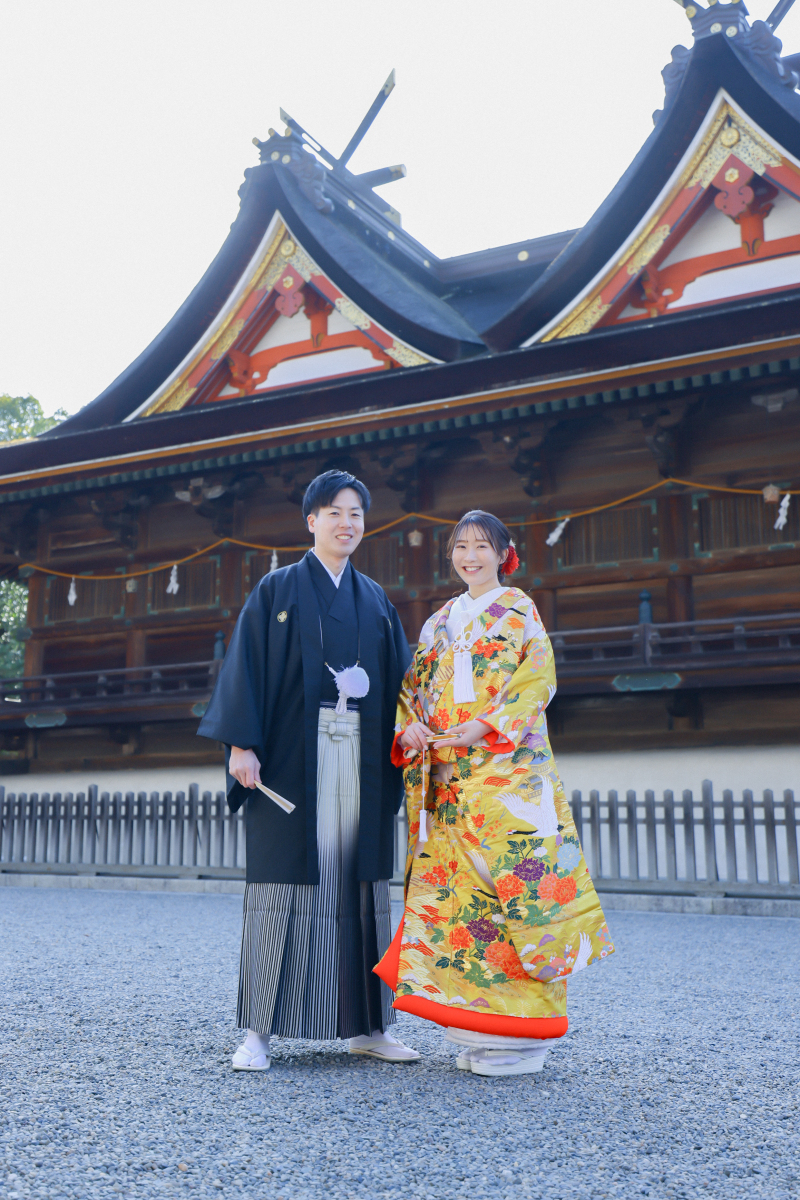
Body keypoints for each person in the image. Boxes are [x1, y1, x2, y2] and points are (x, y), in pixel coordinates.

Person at [374, 510, 614, 1077]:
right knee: (462, 899)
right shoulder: (438, 621)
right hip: (451, 781)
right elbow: (412, 692)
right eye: (460, 546)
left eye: (482, 546)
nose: (470, 556)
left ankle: (526, 1036)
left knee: (516, 895)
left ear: (503, 553)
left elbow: (539, 678)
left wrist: (485, 727)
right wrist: (408, 728)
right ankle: (474, 1023)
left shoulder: (519, 610)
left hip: (507, 775)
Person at [198, 469, 419, 1069]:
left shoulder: (373, 599)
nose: (347, 524)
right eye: (335, 513)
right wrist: (240, 745)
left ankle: (368, 1025)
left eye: (356, 514)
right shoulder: (277, 590)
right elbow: (246, 667)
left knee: (360, 887)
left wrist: (417, 726)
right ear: (311, 521)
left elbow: (405, 684)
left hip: (361, 760)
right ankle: (258, 1033)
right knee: (280, 889)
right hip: (293, 763)